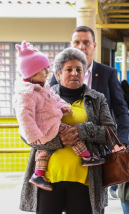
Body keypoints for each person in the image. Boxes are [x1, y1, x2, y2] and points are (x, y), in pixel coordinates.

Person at [19, 48, 122, 214]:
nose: (74, 73)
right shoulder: (42, 94)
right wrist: (58, 139)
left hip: (84, 179)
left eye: (79, 69)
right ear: (57, 73)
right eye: (68, 69)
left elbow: (110, 131)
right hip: (48, 179)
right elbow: (27, 134)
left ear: (85, 72)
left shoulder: (95, 99)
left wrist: (78, 131)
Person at [52, 25, 129, 214]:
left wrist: (121, 142)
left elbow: (121, 110)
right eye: (77, 42)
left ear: (94, 46)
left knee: (96, 197)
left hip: (98, 148)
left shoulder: (106, 74)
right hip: (65, 152)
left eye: (86, 42)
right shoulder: (58, 76)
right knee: (69, 203)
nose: (81, 47)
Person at [12, 42, 103, 193]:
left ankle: (38, 174)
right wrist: (35, 136)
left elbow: (54, 98)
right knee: (66, 136)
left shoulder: (42, 87)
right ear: (32, 73)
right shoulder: (26, 93)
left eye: (78, 70)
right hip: (45, 127)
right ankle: (86, 156)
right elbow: (24, 118)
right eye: (44, 70)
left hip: (51, 124)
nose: (47, 73)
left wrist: (63, 106)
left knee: (46, 150)